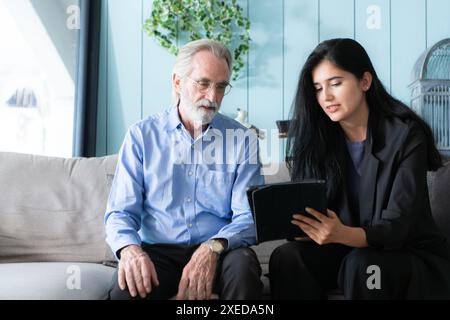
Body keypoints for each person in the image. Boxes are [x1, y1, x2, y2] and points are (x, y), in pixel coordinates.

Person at [269, 38, 450, 299]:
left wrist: (342, 233)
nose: (326, 97)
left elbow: (398, 226)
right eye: (318, 88)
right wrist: (306, 228)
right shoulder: (318, 140)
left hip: (401, 253)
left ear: (365, 81)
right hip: (345, 248)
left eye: (336, 83)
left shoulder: (407, 135)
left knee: (365, 266)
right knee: (287, 257)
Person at [104, 39, 263, 300]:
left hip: (220, 250)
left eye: (221, 87)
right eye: (203, 83)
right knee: (126, 291)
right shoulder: (141, 136)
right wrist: (130, 250)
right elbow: (120, 213)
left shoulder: (242, 140)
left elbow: (248, 217)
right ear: (178, 82)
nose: (212, 97)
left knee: (244, 270)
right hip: (158, 252)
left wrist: (213, 247)